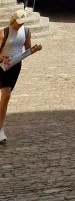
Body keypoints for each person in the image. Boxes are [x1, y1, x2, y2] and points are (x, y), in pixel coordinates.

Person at [0, 10, 34, 144]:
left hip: (15, 67)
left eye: (22, 23)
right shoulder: (4, 32)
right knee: (6, 94)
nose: (20, 25)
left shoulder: (26, 32)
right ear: (13, 20)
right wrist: (2, 57)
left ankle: (0, 128)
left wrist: (34, 49)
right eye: (18, 23)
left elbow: (27, 50)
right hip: (2, 66)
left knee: (5, 97)